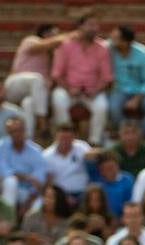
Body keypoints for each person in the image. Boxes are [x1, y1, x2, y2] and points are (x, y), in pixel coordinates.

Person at [50, 12, 113, 145]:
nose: (94, 28)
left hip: (92, 90)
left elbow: (107, 77)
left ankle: (94, 142)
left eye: (96, 25)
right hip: (69, 89)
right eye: (90, 25)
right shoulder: (65, 46)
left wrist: (96, 90)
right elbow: (56, 74)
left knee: (101, 106)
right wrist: (68, 89)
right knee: (59, 99)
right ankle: (66, 139)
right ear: (80, 26)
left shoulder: (102, 48)